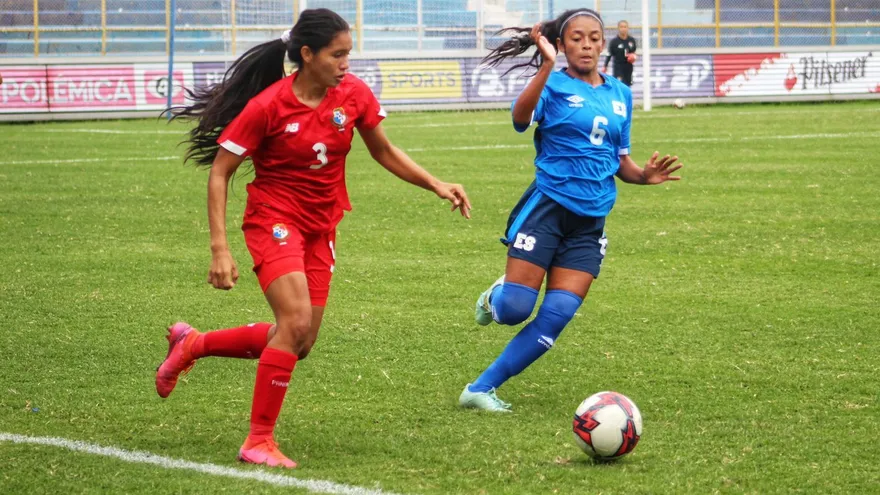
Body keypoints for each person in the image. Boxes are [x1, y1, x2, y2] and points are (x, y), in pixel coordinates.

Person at [158, 8, 471, 468]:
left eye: (349, 54)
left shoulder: (353, 94)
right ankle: (257, 441)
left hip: (322, 226)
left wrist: (436, 183)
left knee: (300, 341)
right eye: (337, 55)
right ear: (307, 55)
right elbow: (220, 173)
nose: (346, 64)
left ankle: (194, 345)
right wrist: (219, 248)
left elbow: (382, 150)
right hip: (273, 219)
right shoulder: (268, 105)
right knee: (296, 323)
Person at [459, 9, 681, 412]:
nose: (587, 45)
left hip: (590, 223)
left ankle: (480, 389)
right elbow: (520, 119)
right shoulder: (554, 84)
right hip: (547, 208)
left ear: (603, 42)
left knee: (556, 316)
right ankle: (496, 298)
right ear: (561, 45)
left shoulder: (620, 94)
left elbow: (619, 160)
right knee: (514, 310)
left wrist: (643, 176)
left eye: (594, 37)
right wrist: (545, 66)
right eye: (576, 38)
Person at [603, 20, 637, 86]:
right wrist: (605, 66)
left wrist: (633, 57)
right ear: (618, 28)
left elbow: (634, 53)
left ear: (628, 28)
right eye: (621, 27)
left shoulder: (631, 40)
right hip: (618, 68)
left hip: (628, 68)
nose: (623, 29)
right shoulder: (614, 41)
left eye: (625, 27)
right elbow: (609, 54)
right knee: (619, 86)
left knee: (627, 87)